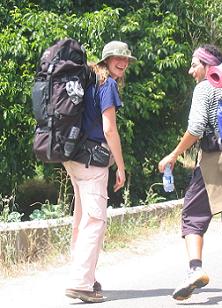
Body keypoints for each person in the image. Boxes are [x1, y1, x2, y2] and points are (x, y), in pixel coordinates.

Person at [158, 45, 222, 301]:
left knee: (192, 215)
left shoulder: (205, 88)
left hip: (214, 161)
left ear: (207, 65)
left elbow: (196, 128)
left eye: (194, 64)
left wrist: (173, 154)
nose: (190, 70)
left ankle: (195, 269)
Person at [64, 41, 136, 303]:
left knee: (82, 218)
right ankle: (81, 282)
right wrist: (120, 165)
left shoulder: (88, 79)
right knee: (95, 221)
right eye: (119, 58)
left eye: (127, 59)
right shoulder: (107, 84)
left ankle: (85, 276)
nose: (124, 63)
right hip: (92, 161)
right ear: (107, 59)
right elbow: (109, 129)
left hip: (73, 157)